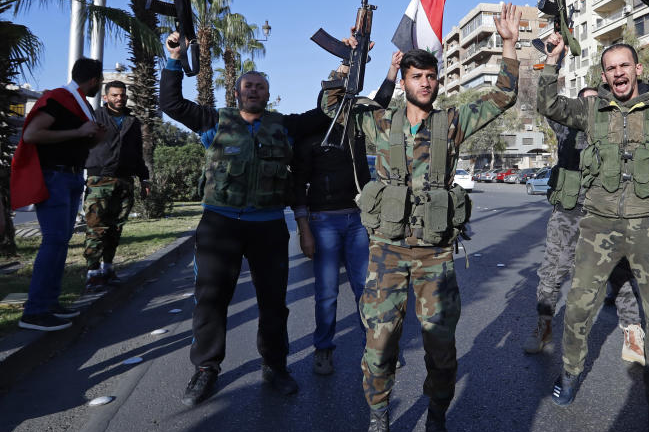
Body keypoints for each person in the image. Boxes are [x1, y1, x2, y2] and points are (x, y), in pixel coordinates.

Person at [330, 3, 519, 432]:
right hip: (387, 251)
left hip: (434, 253)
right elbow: (332, 105)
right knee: (379, 343)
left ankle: (436, 422)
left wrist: (511, 46)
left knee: (440, 345)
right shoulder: (378, 120)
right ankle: (379, 423)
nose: (426, 82)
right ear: (406, 79)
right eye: (417, 76)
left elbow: (502, 97)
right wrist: (348, 58)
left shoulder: (450, 122)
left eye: (431, 76)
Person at [160, 33, 386, 407]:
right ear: (237, 94)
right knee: (211, 300)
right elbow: (170, 102)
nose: (253, 91)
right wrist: (173, 59)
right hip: (220, 225)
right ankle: (206, 369)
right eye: (248, 86)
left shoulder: (285, 125)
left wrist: (347, 63)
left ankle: (275, 365)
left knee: (273, 301)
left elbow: (335, 107)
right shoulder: (213, 120)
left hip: (267, 226)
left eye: (260, 87)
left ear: (267, 94)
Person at [537, 33, 649, 432]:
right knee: (579, 305)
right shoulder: (592, 109)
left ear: (638, 69)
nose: (618, 74)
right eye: (610, 68)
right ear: (604, 74)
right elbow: (547, 104)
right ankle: (571, 372)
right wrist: (552, 63)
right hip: (598, 226)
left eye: (624, 66)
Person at [524, 86, 648, 365]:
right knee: (553, 272)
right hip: (568, 213)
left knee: (620, 273)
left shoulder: (613, 128)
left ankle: (632, 333)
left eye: (596, 100)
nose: (590, 104)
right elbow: (547, 103)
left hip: (606, 213)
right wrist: (552, 63)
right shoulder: (565, 128)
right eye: (585, 100)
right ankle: (544, 326)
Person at [291, 74, 393, 376]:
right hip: (323, 222)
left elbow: (380, 104)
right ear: (323, 100)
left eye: (343, 96)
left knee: (366, 288)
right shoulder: (310, 137)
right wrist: (303, 228)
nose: (339, 102)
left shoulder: (356, 127)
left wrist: (390, 73)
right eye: (334, 97)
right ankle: (323, 349)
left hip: (357, 219)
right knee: (326, 293)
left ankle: (374, 349)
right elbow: (297, 184)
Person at [12, 57, 106, 331]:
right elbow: (31, 135)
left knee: (60, 242)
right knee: (54, 242)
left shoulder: (79, 104)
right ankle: (35, 311)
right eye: (99, 82)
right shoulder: (59, 98)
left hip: (71, 175)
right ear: (94, 80)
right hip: (54, 176)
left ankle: (48, 304)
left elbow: (78, 139)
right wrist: (79, 130)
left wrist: (93, 136)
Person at [82, 80, 150, 291]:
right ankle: (92, 273)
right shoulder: (94, 117)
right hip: (99, 179)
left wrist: (144, 178)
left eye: (122, 95)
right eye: (114, 95)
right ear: (105, 97)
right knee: (96, 227)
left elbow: (138, 153)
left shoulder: (133, 122)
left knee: (116, 227)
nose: (119, 98)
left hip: (125, 180)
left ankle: (108, 269)